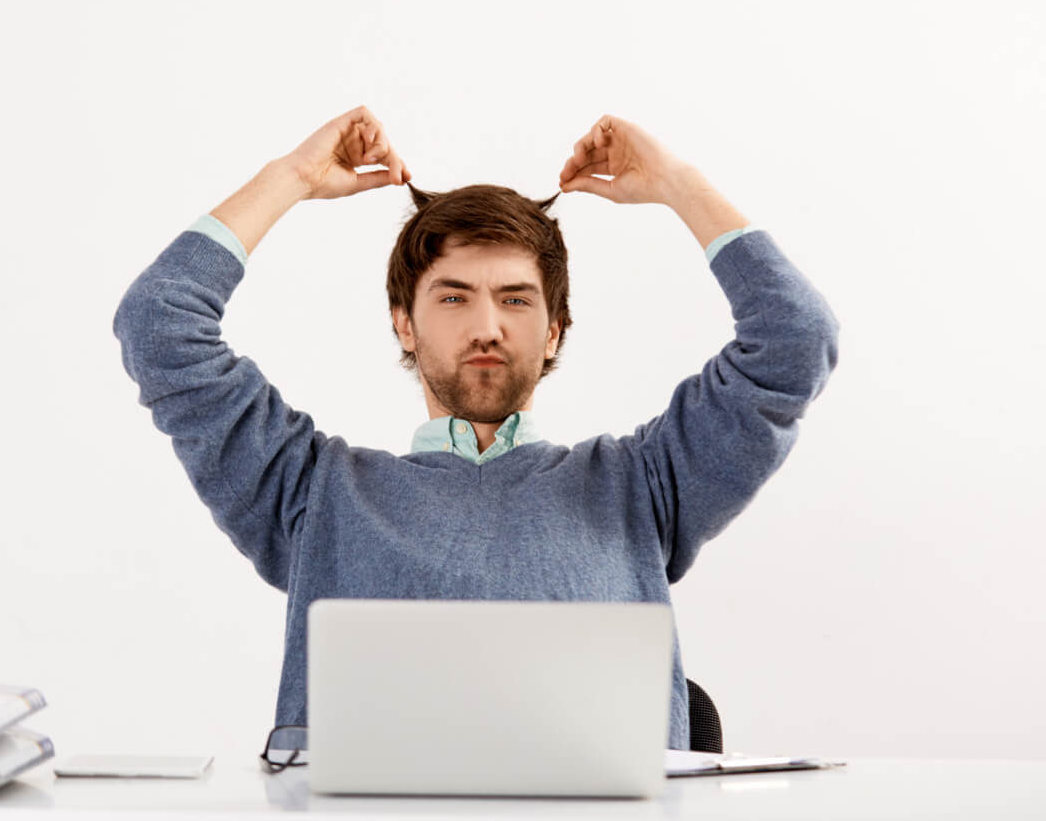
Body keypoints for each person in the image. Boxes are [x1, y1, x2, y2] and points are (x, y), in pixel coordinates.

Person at [112, 104, 839, 752]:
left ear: (554, 331)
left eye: (516, 301)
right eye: (454, 298)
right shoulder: (313, 493)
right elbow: (158, 324)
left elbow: (795, 340)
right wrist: (293, 176)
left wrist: (679, 183)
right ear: (405, 323)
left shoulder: (644, 484)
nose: (487, 326)